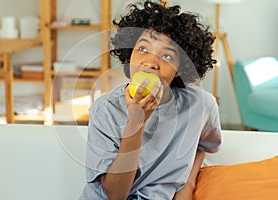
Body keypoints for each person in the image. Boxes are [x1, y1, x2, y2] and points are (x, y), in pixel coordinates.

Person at [80, 1, 221, 199]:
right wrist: (136, 122)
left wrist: (187, 184)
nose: (151, 63)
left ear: (181, 69)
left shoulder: (200, 105)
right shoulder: (105, 109)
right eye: (143, 49)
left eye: (167, 55)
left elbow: (203, 145)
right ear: (129, 54)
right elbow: (115, 194)